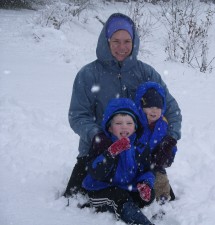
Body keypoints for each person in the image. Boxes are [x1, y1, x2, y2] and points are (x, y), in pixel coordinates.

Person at [64, 12, 182, 198]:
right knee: (76, 200)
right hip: (98, 154)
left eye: (127, 41)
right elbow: (78, 115)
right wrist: (97, 137)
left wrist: (169, 140)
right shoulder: (88, 74)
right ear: (106, 41)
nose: (122, 47)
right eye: (116, 41)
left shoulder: (147, 74)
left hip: (140, 157)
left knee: (161, 203)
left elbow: (172, 110)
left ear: (134, 42)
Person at [82, 98, 155, 225]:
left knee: (149, 195)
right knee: (118, 196)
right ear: (110, 128)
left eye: (129, 123)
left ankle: (128, 205)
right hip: (101, 189)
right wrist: (110, 153)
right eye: (118, 123)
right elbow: (96, 171)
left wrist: (145, 183)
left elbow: (147, 170)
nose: (124, 127)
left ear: (136, 127)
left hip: (126, 187)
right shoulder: (102, 143)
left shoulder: (140, 146)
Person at [135, 81, 177, 203]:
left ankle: (163, 199)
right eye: (150, 106)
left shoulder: (163, 124)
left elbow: (169, 143)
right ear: (141, 107)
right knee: (143, 180)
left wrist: (169, 152)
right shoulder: (136, 123)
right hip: (138, 163)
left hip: (154, 162)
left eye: (158, 107)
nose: (154, 110)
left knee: (161, 179)